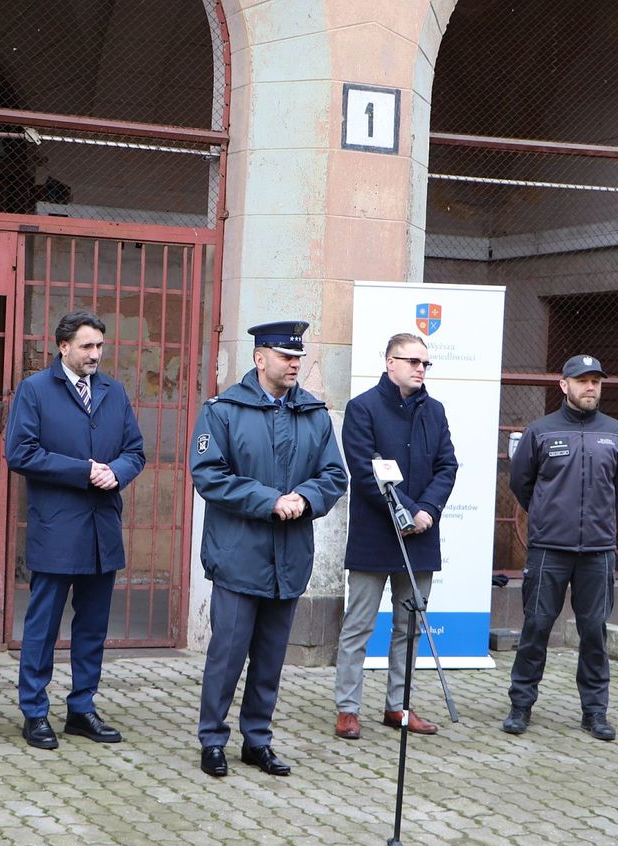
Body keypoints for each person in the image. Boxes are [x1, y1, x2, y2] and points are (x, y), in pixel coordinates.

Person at [190, 320, 348, 778]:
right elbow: (209, 475)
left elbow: (334, 475)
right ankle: (213, 739)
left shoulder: (314, 414)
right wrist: (269, 501)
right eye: (285, 356)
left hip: (288, 558)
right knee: (228, 655)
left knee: (270, 659)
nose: (295, 363)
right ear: (260, 359)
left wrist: (306, 498)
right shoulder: (223, 411)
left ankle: (257, 739)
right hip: (239, 556)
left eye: (298, 356)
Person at [5, 310, 145, 750]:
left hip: (102, 528)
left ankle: (82, 708)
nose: (95, 354)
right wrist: (83, 471)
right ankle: (34, 711)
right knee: (43, 625)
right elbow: (20, 453)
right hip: (57, 527)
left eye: (100, 347)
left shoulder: (113, 391)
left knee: (92, 627)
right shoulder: (35, 390)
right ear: (63, 347)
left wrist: (117, 472)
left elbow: (135, 451)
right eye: (87, 346)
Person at [502, 354, 618, 741]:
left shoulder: (617, 433)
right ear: (564, 386)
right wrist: (549, 516)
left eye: (596, 381)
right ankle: (520, 705)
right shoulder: (540, 431)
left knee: (594, 631)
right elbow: (521, 482)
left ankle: (595, 712)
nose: (590, 387)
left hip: (598, 551)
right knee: (537, 626)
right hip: (548, 549)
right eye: (582, 381)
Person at [334, 333, 458, 740]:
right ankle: (348, 709)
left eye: (425, 363)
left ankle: (398, 707)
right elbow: (365, 469)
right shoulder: (363, 408)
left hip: (421, 535)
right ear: (390, 363)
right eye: (413, 361)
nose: (421, 369)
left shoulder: (435, 412)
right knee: (359, 625)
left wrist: (427, 511)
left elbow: (447, 467)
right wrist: (404, 510)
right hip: (375, 535)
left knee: (410, 626)